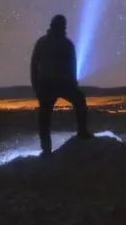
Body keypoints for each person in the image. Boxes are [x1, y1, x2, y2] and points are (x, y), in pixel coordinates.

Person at [30, 14, 92, 156]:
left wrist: (35, 85)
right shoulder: (56, 43)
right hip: (52, 84)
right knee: (46, 117)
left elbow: (72, 65)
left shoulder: (51, 43)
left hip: (55, 84)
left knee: (45, 117)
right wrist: (36, 85)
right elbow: (34, 65)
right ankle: (48, 149)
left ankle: (48, 149)